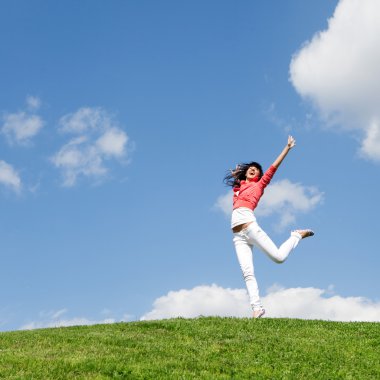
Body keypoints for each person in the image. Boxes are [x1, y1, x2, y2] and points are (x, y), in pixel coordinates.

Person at [223, 136, 314, 318]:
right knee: (247, 272)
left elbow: (274, 167)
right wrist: (237, 177)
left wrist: (287, 148)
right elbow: (238, 182)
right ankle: (257, 308)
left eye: (255, 170)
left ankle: (296, 235)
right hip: (238, 236)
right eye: (250, 168)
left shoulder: (259, 185)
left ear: (258, 175)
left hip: (250, 228)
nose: (252, 170)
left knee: (279, 258)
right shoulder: (238, 188)